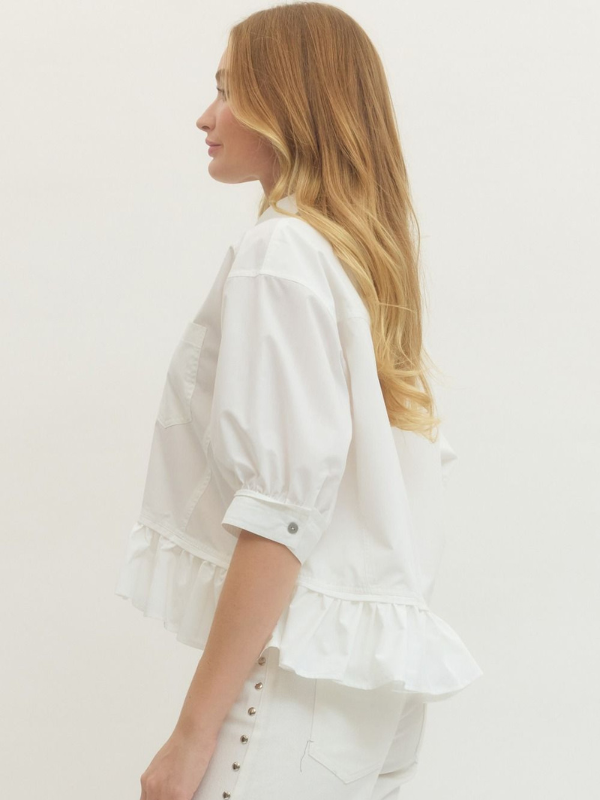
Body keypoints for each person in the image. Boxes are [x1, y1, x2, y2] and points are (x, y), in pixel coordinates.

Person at [114, 3, 483, 799]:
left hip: (293, 683)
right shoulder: (359, 261)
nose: (205, 116)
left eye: (229, 90)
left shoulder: (280, 252)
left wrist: (190, 734)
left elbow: (282, 517)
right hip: (371, 688)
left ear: (290, 105)